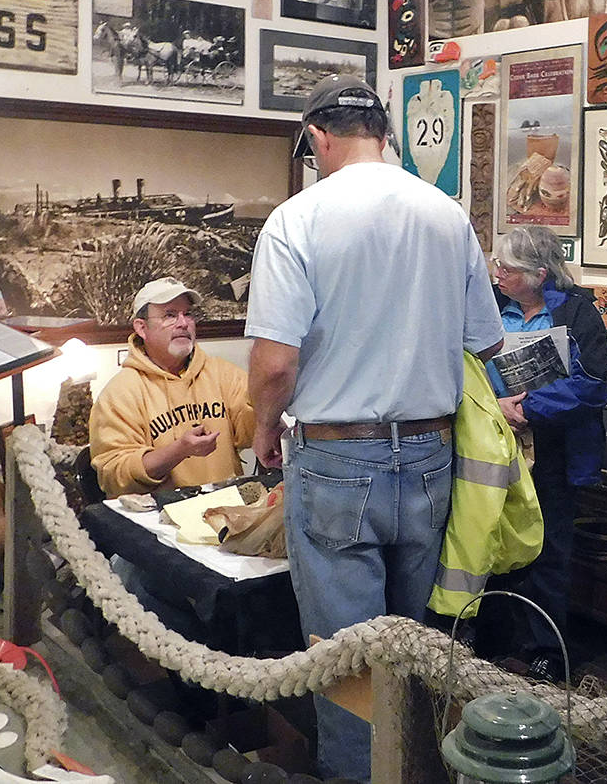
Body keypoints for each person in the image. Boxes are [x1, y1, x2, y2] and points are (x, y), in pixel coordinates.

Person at [245, 74, 503, 782]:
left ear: (318, 137)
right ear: (386, 135)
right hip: (429, 454)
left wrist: (264, 428)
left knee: (349, 663)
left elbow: (273, 364)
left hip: (335, 457)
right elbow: (487, 340)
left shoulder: (298, 219)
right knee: (419, 651)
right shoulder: (447, 215)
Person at [472, 226, 607, 683]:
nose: (498, 275)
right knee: (489, 542)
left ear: (540, 274)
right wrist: (497, 405)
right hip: (495, 443)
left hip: (555, 452)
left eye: (507, 268)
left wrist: (530, 406)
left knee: (549, 554)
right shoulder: (491, 308)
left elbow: (592, 387)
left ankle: (546, 649)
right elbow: (466, 364)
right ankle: (492, 638)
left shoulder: (579, 314)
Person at [89, 277, 255, 499]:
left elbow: (252, 430)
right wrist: (180, 451)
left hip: (227, 511)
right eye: (170, 315)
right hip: (157, 522)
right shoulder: (119, 393)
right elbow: (114, 477)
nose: (183, 323)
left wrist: (267, 404)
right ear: (142, 328)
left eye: (188, 314)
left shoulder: (222, 373)